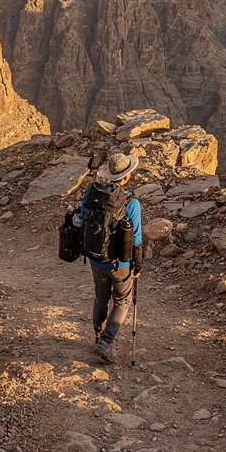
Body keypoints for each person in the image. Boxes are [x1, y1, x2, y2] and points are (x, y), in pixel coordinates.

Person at [72, 152, 142, 363]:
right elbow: (136, 239)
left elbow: (80, 218)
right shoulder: (131, 203)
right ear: (127, 176)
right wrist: (137, 265)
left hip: (94, 259)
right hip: (119, 263)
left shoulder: (91, 194)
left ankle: (97, 337)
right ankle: (106, 341)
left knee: (101, 298)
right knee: (122, 301)